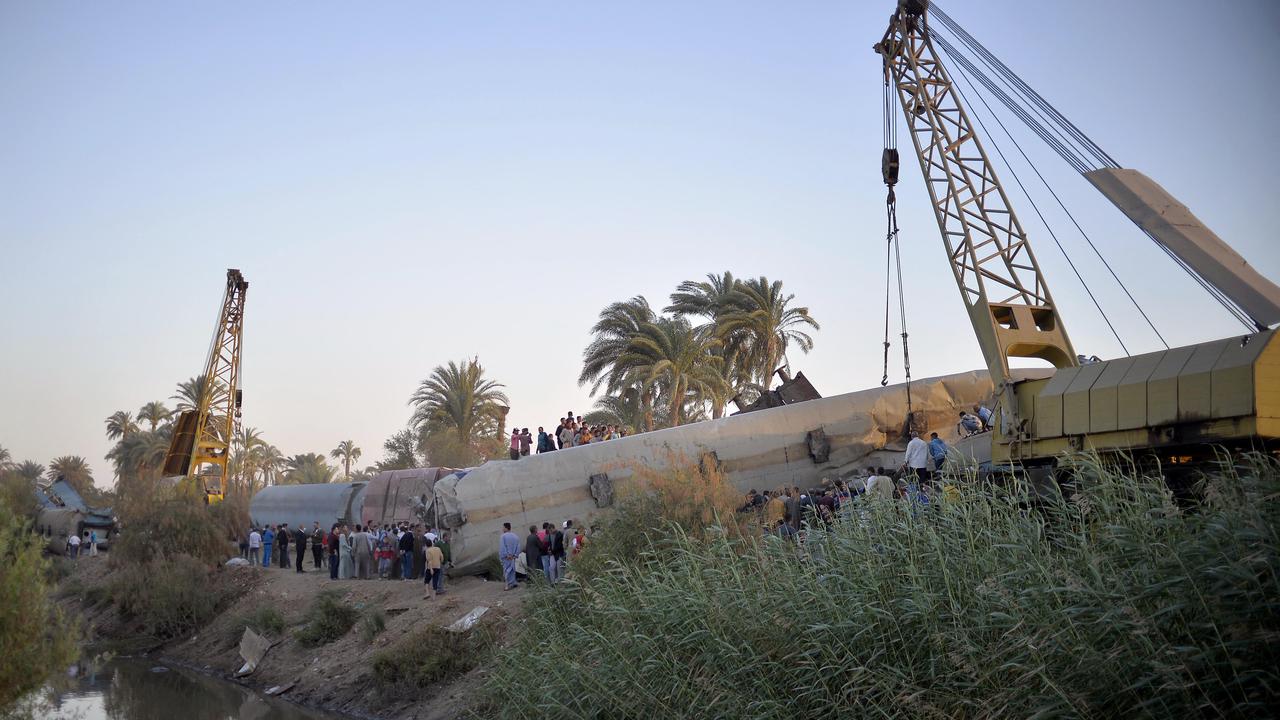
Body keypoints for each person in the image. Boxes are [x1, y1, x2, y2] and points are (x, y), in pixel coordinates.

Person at [499, 522, 520, 591]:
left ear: (506, 528)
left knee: (506, 570)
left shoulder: (503, 536)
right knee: (512, 570)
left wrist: (506, 555)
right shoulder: (515, 536)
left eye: (503, 527)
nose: (502, 529)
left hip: (507, 557)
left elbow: (502, 547)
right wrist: (515, 555)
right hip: (513, 557)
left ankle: (507, 585)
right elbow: (518, 546)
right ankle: (513, 583)